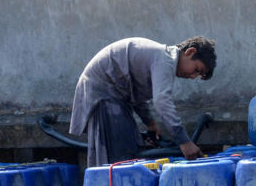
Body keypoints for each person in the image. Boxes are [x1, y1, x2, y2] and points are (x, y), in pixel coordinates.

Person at [70, 37, 216, 167]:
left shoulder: (161, 58)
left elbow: (134, 91)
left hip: (112, 96)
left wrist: (149, 121)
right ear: (189, 52)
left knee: (127, 152)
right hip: (103, 94)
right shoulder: (165, 60)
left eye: (197, 75)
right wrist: (184, 141)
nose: (192, 76)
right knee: (118, 160)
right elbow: (162, 101)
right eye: (196, 69)